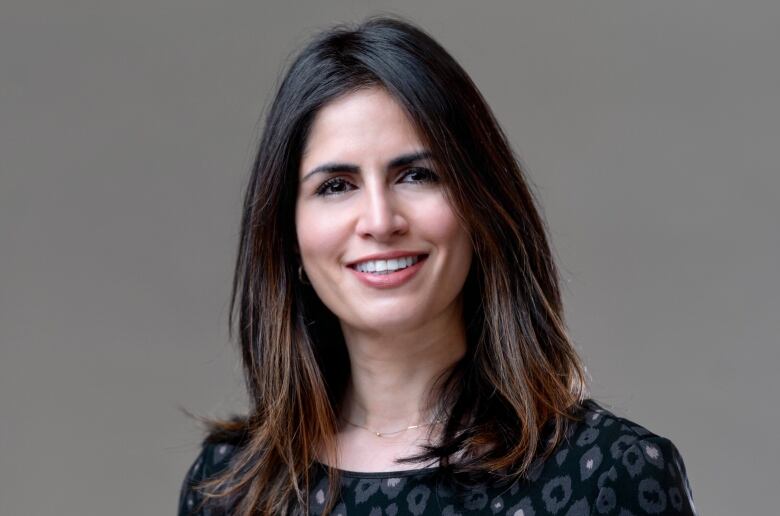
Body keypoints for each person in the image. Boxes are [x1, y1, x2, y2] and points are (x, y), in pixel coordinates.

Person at [178, 15, 697, 515]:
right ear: (287, 234)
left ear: (481, 204)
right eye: (336, 186)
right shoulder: (227, 487)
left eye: (416, 175)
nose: (380, 221)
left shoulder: (610, 476)